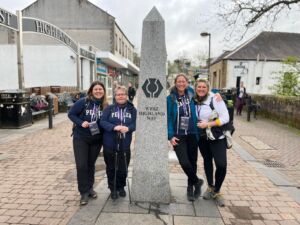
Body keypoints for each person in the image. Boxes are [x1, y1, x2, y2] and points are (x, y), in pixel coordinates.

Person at [68, 81, 108, 205]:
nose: (98, 91)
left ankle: (90, 188)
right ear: (91, 91)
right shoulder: (83, 102)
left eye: (100, 89)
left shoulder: (106, 105)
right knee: (81, 166)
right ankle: (83, 192)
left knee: (91, 164)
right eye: (96, 89)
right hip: (81, 138)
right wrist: (81, 123)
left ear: (104, 91)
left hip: (96, 139)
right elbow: (71, 114)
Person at [167, 73, 203, 201]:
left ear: (187, 83)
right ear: (175, 83)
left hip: (193, 134)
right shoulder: (170, 98)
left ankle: (190, 187)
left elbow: (206, 91)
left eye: (183, 81)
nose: (181, 83)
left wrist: (217, 94)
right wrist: (170, 136)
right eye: (179, 81)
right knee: (184, 162)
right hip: (179, 136)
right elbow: (169, 118)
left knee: (193, 162)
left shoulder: (192, 94)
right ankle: (197, 182)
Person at [193, 78, 230, 207]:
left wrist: (208, 124)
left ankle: (217, 190)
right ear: (195, 88)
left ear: (208, 88)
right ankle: (210, 187)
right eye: (199, 87)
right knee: (207, 161)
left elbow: (226, 118)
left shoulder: (215, 99)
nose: (201, 89)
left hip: (217, 137)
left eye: (204, 87)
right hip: (202, 138)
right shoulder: (194, 99)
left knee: (221, 165)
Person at [100, 86, 137, 200]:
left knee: (123, 167)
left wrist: (128, 128)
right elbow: (102, 122)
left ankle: (121, 186)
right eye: (118, 94)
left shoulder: (132, 110)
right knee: (111, 167)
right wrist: (114, 127)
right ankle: (113, 188)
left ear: (126, 96)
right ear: (115, 97)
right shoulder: (109, 109)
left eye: (123, 94)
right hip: (110, 143)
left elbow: (136, 124)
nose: (120, 96)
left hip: (125, 143)